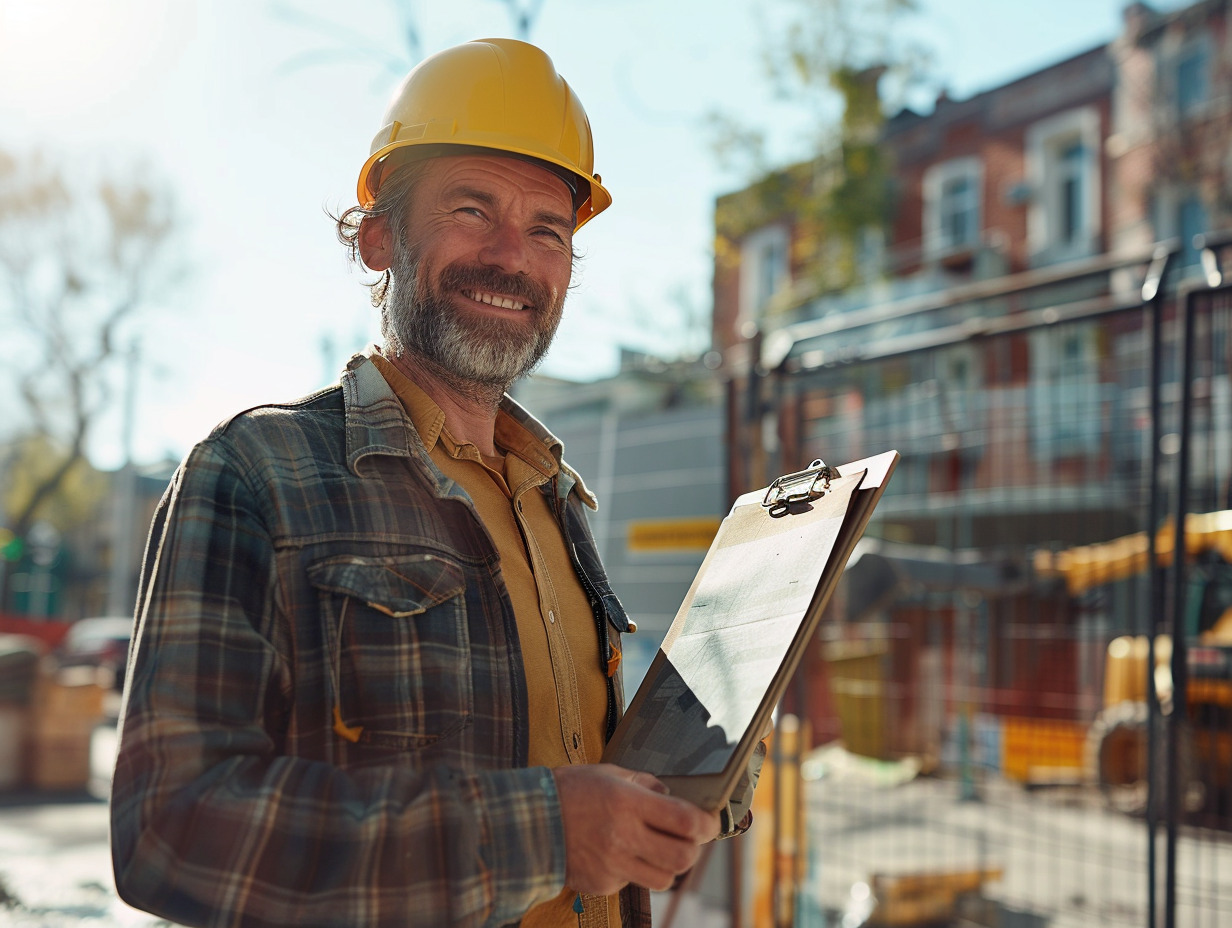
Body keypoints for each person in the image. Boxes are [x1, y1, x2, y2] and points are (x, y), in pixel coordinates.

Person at [110, 38, 756, 928]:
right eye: (471, 209)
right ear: (378, 235)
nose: (512, 258)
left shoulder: (553, 499)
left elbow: (569, 780)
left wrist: (668, 794)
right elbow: (170, 833)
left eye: (547, 229)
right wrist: (542, 834)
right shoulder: (256, 473)